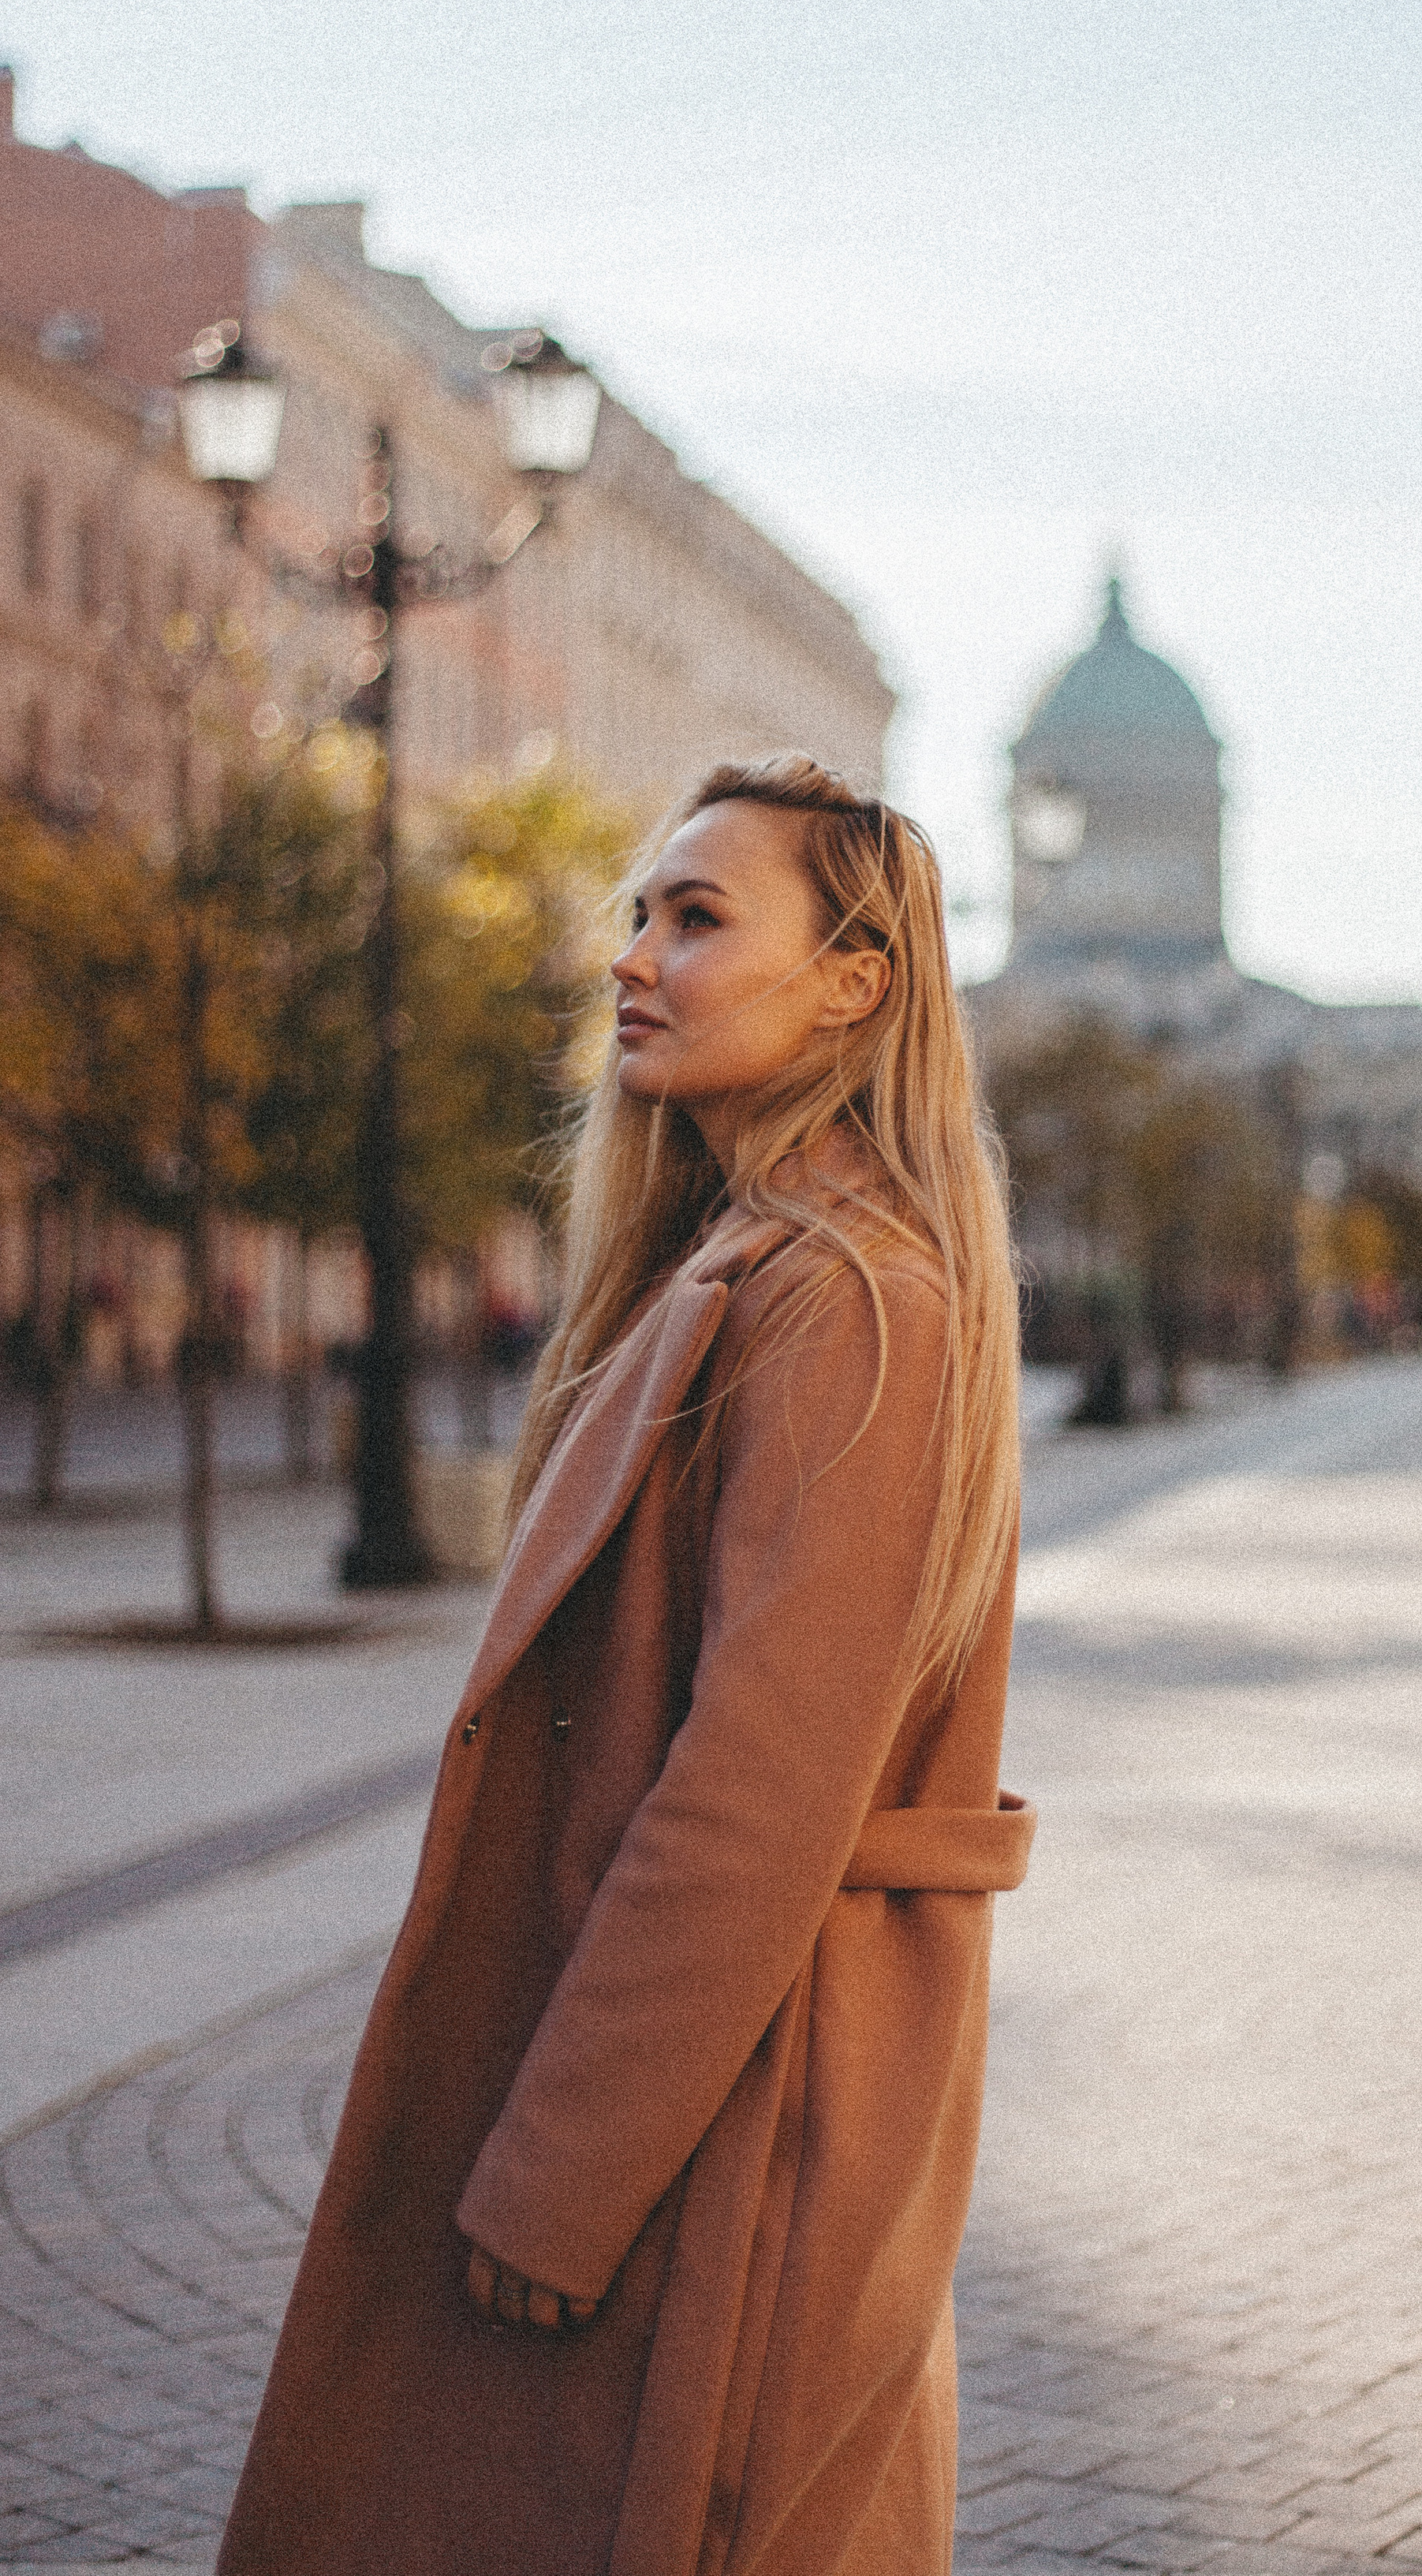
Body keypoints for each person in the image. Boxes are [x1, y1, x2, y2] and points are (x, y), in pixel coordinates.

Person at [218, 756, 1031, 2576]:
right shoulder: (746, 1262)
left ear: (854, 979)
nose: (634, 957)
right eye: (637, 913)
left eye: (697, 915)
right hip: (708, 2083)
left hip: (730, 2117)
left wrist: (564, 2163)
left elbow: (756, 1786)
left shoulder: (844, 1295)